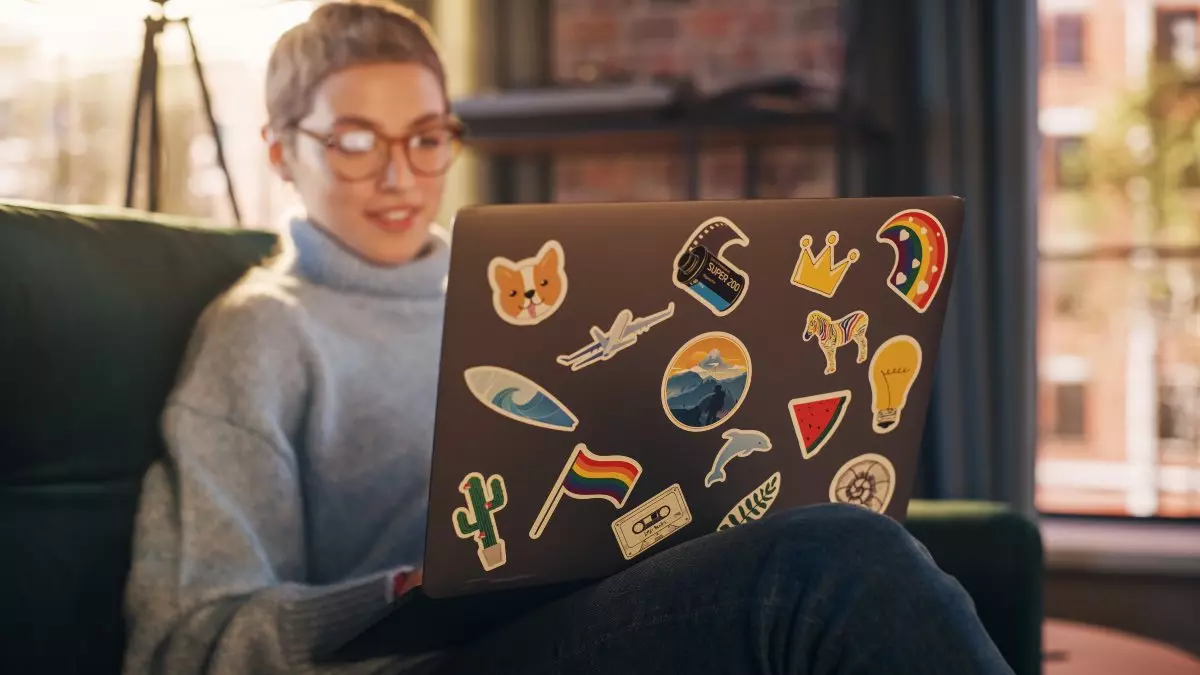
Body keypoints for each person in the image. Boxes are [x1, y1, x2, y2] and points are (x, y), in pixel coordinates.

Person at [121, 2, 1015, 674]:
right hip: (423, 660)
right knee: (830, 566)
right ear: (282, 152)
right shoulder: (261, 334)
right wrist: (392, 593)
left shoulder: (522, 305)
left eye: (428, 137)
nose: (400, 174)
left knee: (838, 537)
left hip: (583, 609)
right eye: (356, 140)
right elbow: (187, 636)